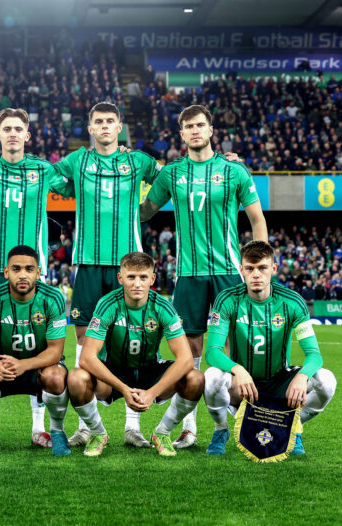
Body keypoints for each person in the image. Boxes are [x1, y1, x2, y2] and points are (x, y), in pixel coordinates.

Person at [140, 104, 268, 449]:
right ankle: (190, 428)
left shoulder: (234, 171)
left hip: (228, 272)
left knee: (228, 351)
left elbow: (257, 219)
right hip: (189, 274)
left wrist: (261, 263)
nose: (195, 131)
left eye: (200, 125)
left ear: (211, 130)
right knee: (190, 354)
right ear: (181, 135)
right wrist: (123, 176)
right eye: (188, 127)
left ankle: (236, 424)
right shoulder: (171, 174)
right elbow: (144, 212)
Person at [50, 101, 165, 449]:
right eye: (98, 121)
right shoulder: (76, 161)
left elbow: (173, 180)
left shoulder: (138, 161)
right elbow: (50, 177)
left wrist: (145, 210)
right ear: (90, 128)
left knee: (136, 342)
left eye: (110, 121)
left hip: (129, 266)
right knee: (86, 343)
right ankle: (89, 427)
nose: (104, 126)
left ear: (119, 127)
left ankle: (133, 426)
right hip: (86, 262)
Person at [0, 108, 73, 449]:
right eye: (6, 128)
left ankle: (40, 427)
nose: (11, 133)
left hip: (32, 270)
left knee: (36, 345)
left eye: (18, 129)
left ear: (28, 135)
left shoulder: (42, 169)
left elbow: (76, 184)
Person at [203, 241, 337, 456]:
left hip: (279, 381)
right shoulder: (227, 299)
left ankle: (292, 427)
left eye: (262, 268)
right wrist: (238, 369)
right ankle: (221, 430)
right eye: (250, 268)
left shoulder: (292, 302)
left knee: (327, 381)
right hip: (242, 385)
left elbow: (313, 354)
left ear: (273, 269)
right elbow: (212, 352)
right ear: (241, 270)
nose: (256, 274)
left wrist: (302, 376)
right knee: (211, 376)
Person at [67, 252, 203, 457]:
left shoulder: (163, 306)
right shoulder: (107, 304)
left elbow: (185, 358)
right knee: (76, 378)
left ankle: (162, 432)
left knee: (195, 378)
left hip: (150, 371)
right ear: (120, 278)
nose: (137, 283)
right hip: (115, 372)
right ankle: (98, 433)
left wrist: (152, 393)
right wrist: (123, 388)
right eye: (131, 277)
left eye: (143, 277)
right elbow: (87, 357)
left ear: (153, 279)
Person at [0, 245, 71, 456]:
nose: (23, 275)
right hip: (4, 367)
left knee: (57, 376)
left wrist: (23, 365)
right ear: (6, 272)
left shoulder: (53, 297)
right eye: (16, 269)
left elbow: (55, 351)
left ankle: (57, 431)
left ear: (38, 272)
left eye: (29, 269)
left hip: (37, 368)